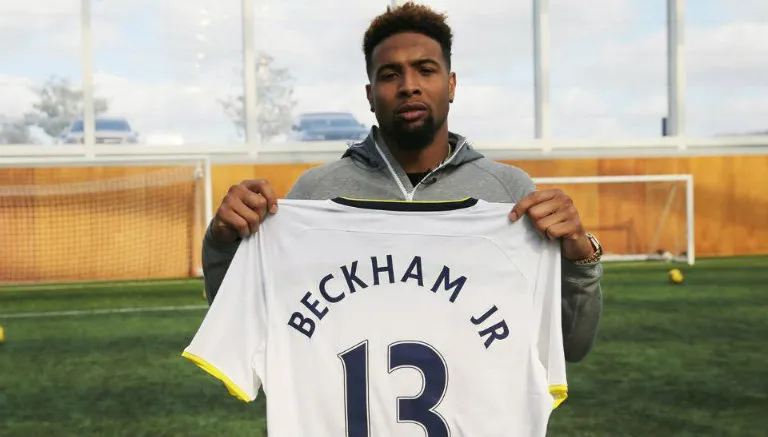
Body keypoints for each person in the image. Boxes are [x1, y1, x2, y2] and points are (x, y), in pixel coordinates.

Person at [202, 2, 603, 363]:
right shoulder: (316, 193)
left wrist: (579, 259)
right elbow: (250, 325)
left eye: (425, 70)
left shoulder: (508, 193)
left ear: (451, 85)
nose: (409, 85)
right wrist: (223, 242)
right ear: (370, 95)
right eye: (390, 74)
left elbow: (571, 346)